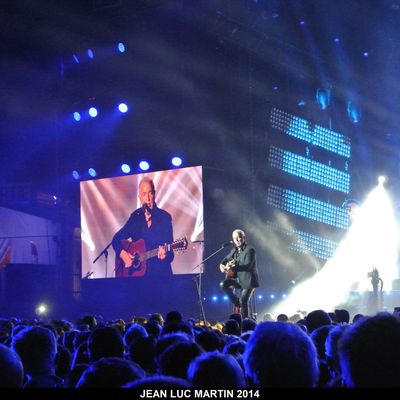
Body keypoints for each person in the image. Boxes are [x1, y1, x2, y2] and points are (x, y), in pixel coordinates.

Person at [112, 177, 174, 278]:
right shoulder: (135, 217)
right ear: (139, 197)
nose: (148, 198)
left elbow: (171, 253)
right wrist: (123, 254)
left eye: (150, 193)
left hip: (160, 276)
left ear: (154, 193)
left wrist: (165, 256)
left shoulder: (165, 217)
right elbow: (115, 239)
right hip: (138, 276)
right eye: (144, 194)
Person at [219, 229, 259, 319]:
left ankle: (245, 323)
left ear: (243, 238)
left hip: (249, 281)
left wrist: (232, 267)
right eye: (234, 238)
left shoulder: (250, 250)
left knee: (244, 301)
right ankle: (237, 302)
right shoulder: (235, 250)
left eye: (239, 237)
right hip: (239, 280)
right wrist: (222, 265)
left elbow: (248, 266)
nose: (237, 240)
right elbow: (225, 260)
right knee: (223, 284)